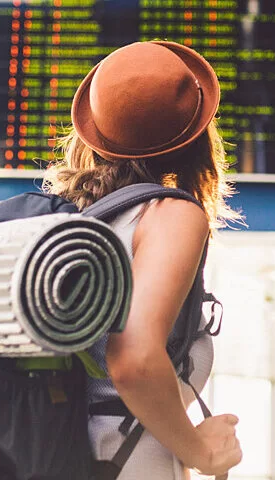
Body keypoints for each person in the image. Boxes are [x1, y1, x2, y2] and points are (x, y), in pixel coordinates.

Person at [43, 40, 245, 479]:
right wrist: (201, 451)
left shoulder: (73, 221)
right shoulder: (169, 215)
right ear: (198, 136)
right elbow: (133, 361)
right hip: (123, 460)